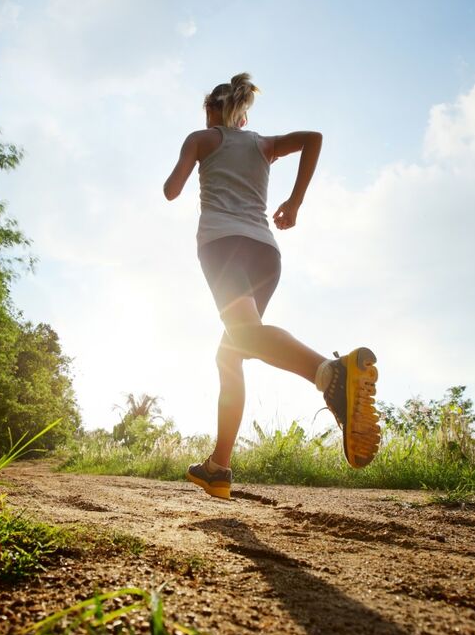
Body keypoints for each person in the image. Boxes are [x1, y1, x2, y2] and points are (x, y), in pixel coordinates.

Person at [163, 73, 380, 500]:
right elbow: (313, 138)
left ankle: (331, 373)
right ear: (243, 116)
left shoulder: (202, 138)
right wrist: (294, 202)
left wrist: (192, 155)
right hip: (265, 251)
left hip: (222, 245)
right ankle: (218, 467)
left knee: (243, 337)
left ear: (212, 112)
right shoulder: (263, 144)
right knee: (232, 352)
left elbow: (172, 190)